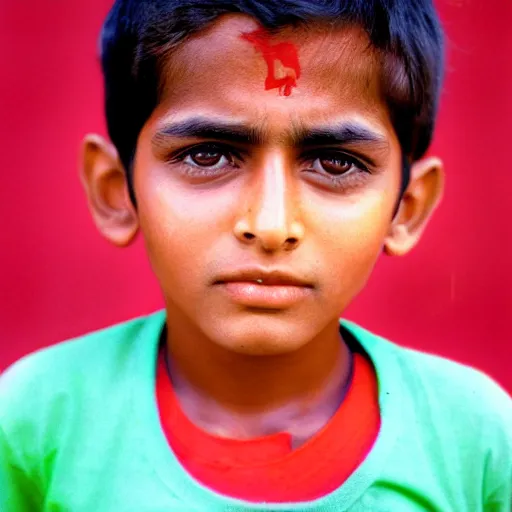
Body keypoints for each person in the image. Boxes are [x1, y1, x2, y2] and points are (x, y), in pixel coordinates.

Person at [1, 1, 511, 510]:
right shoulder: (34, 420)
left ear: (406, 207)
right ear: (116, 190)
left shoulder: (478, 441)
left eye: (335, 163)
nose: (270, 226)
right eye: (207, 155)